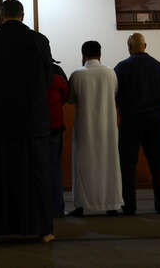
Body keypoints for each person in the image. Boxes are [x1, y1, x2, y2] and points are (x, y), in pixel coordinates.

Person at [0, 0, 54, 243]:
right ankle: (44, 230)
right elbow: (48, 80)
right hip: (33, 121)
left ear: (1, 15)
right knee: (37, 176)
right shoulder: (39, 41)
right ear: (22, 15)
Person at [114, 33, 160, 215]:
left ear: (129, 47)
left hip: (130, 121)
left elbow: (116, 94)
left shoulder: (121, 68)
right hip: (154, 120)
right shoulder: (158, 66)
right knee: (157, 163)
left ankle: (129, 206)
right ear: (145, 45)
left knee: (128, 165)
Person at [67, 40, 122, 217]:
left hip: (85, 127)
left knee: (82, 165)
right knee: (109, 164)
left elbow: (71, 99)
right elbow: (114, 94)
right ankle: (112, 204)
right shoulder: (110, 73)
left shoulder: (77, 74)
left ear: (83, 55)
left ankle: (81, 205)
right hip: (107, 127)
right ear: (100, 54)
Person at [46, 60, 68, 218]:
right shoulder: (57, 72)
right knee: (54, 167)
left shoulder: (29, 69)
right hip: (55, 124)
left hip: (35, 127)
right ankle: (57, 208)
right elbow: (65, 96)